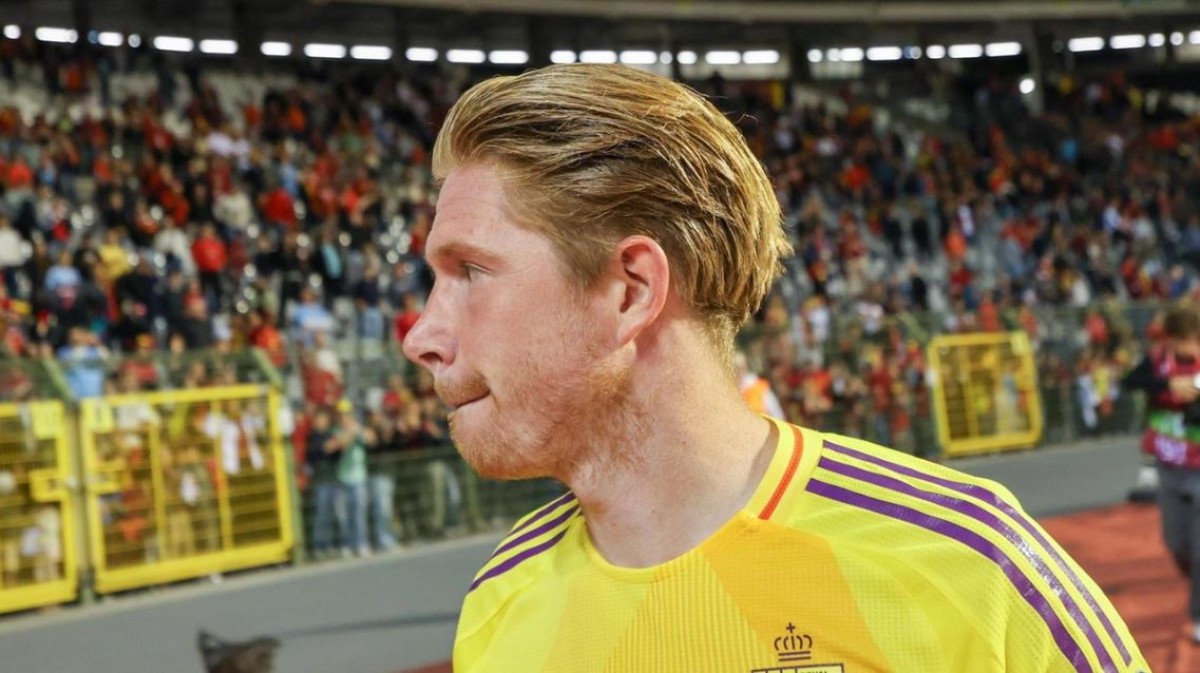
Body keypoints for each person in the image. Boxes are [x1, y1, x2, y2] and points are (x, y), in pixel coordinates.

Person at [402, 64, 1147, 672]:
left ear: (630, 291)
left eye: (470, 271)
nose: (423, 336)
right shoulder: (499, 602)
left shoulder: (968, 566)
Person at [1122, 301, 1200, 642]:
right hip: (1169, 468)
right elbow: (1131, 381)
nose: (1186, 348)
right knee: (1176, 542)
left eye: (1191, 340)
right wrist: (1168, 387)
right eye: (1179, 340)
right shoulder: (1158, 361)